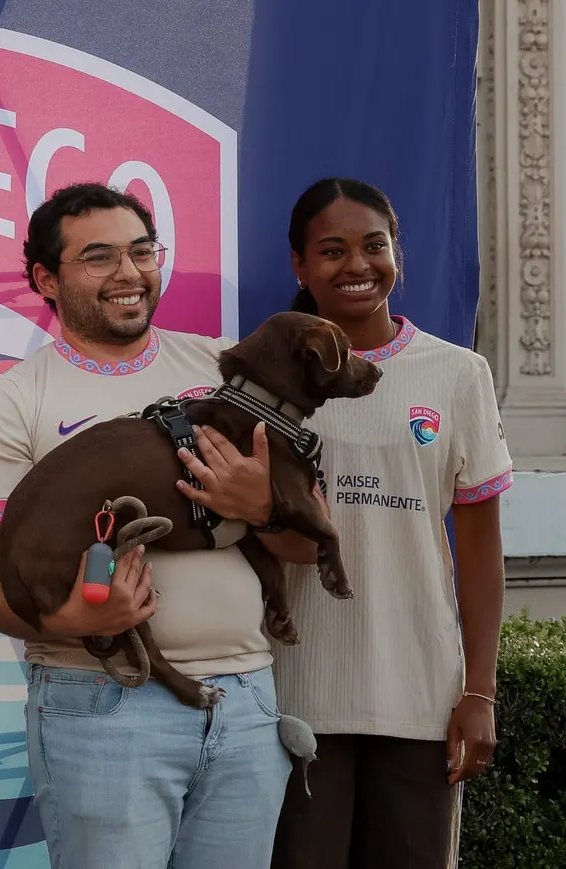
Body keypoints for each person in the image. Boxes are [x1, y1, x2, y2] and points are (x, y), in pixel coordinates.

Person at [0, 181, 321, 869]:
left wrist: (261, 507)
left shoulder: (226, 369)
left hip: (246, 700)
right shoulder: (12, 404)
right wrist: (75, 621)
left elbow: (307, 544)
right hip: (102, 701)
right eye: (99, 257)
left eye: (142, 251)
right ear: (46, 279)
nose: (129, 272)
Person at [268, 178, 511, 869]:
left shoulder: (457, 374)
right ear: (300, 265)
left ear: (396, 253)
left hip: (419, 700)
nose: (357, 265)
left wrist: (480, 691)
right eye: (331, 250)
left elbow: (480, 549)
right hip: (294, 699)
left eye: (374, 246)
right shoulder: (270, 378)